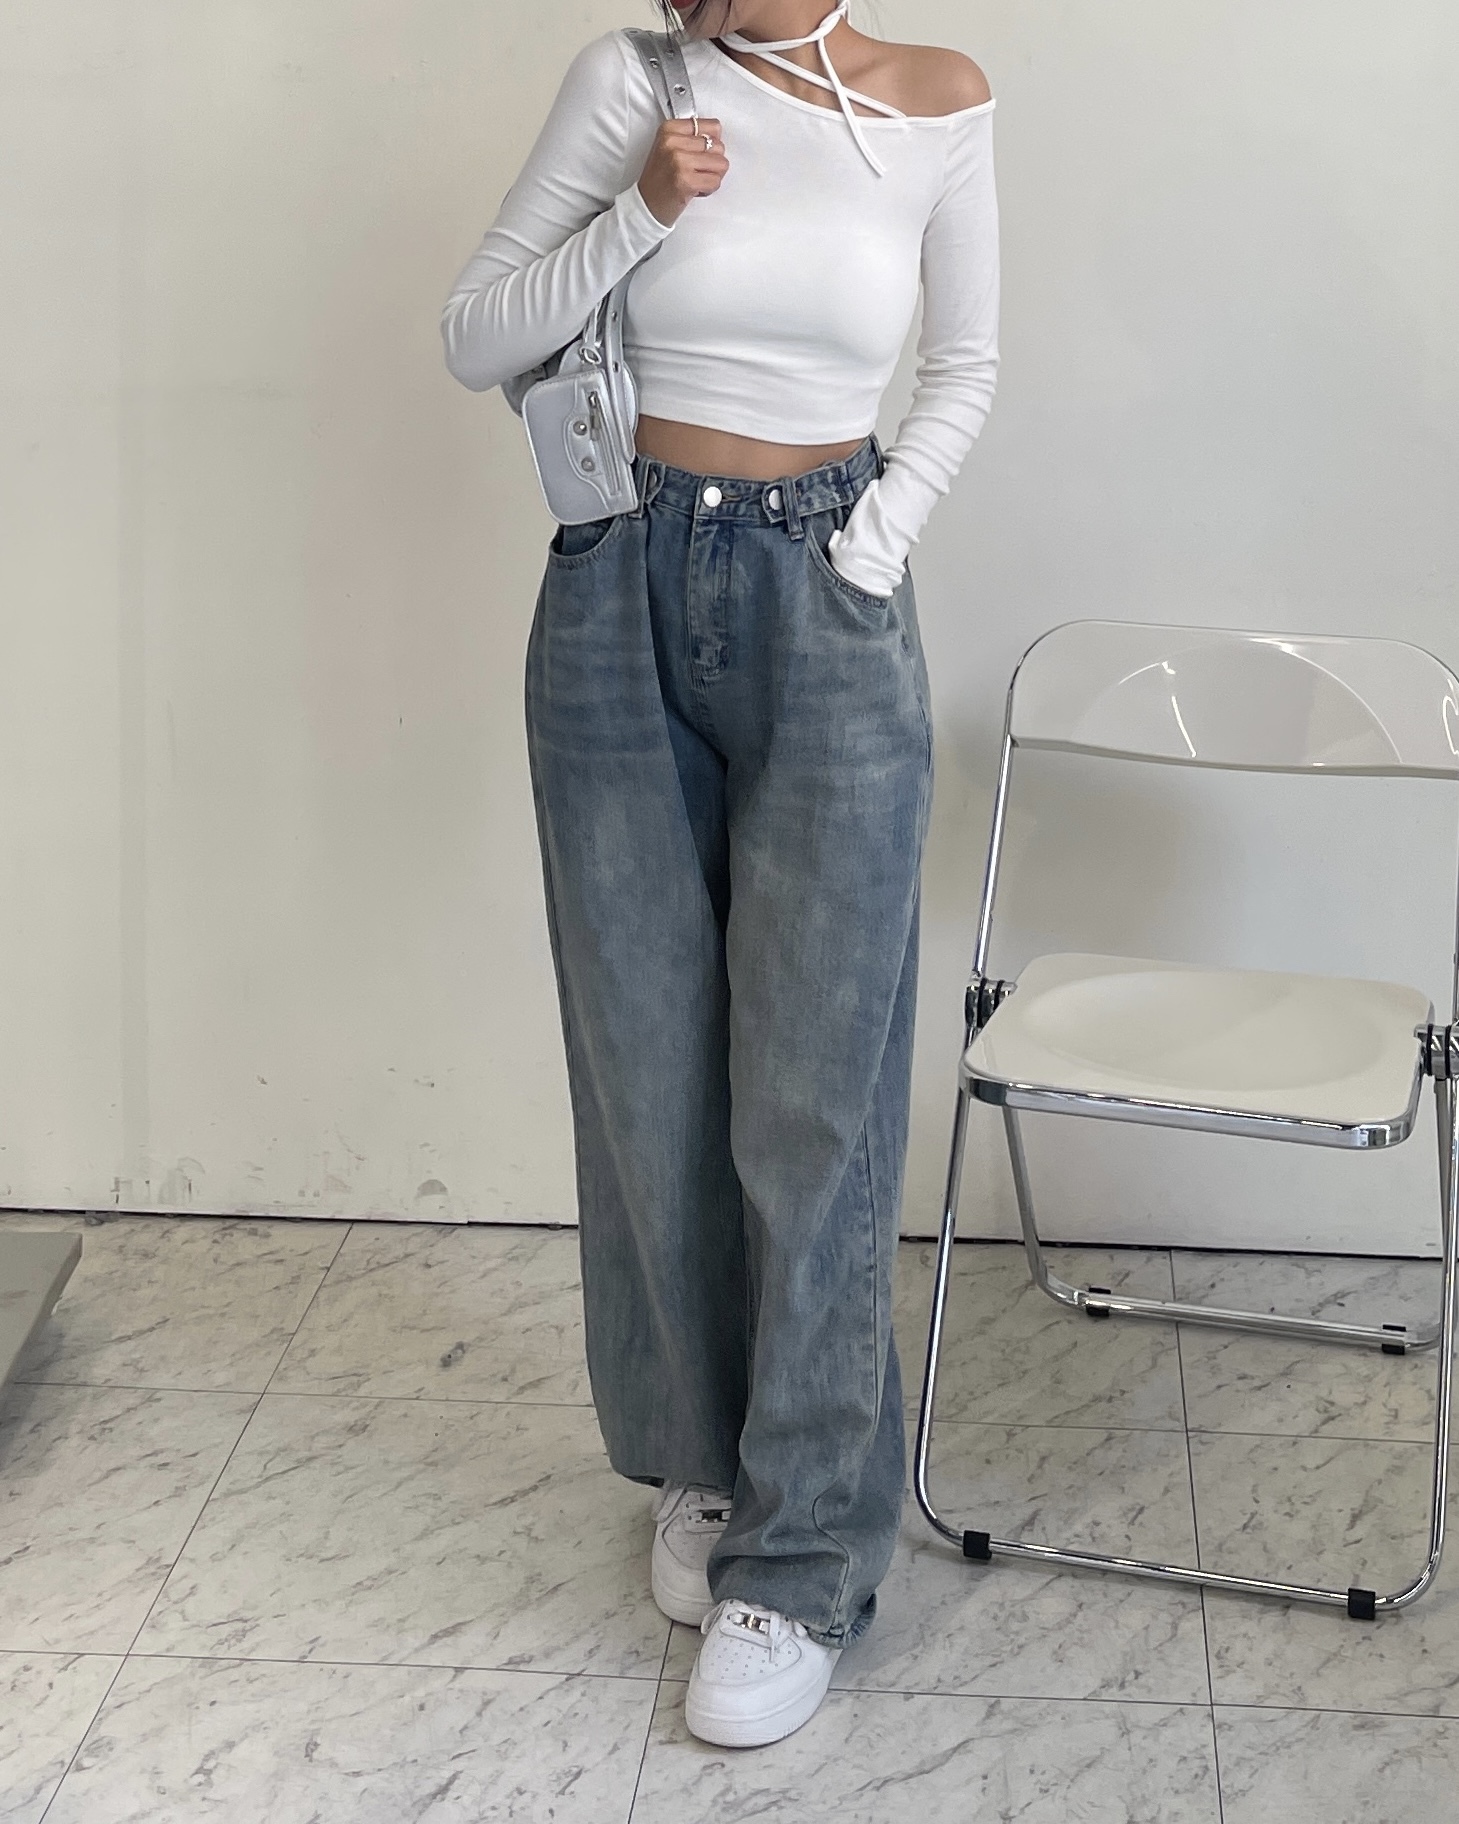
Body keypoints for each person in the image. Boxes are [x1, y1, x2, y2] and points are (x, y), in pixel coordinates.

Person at [440, 0, 998, 1748]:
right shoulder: (635, 81)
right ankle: (706, 1455)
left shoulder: (937, 102)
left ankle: (805, 1554)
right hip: (616, 575)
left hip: (829, 594)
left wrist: (868, 548)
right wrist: (643, 212)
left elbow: (965, 366)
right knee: (648, 1062)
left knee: (816, 1097)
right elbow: (475, 333)